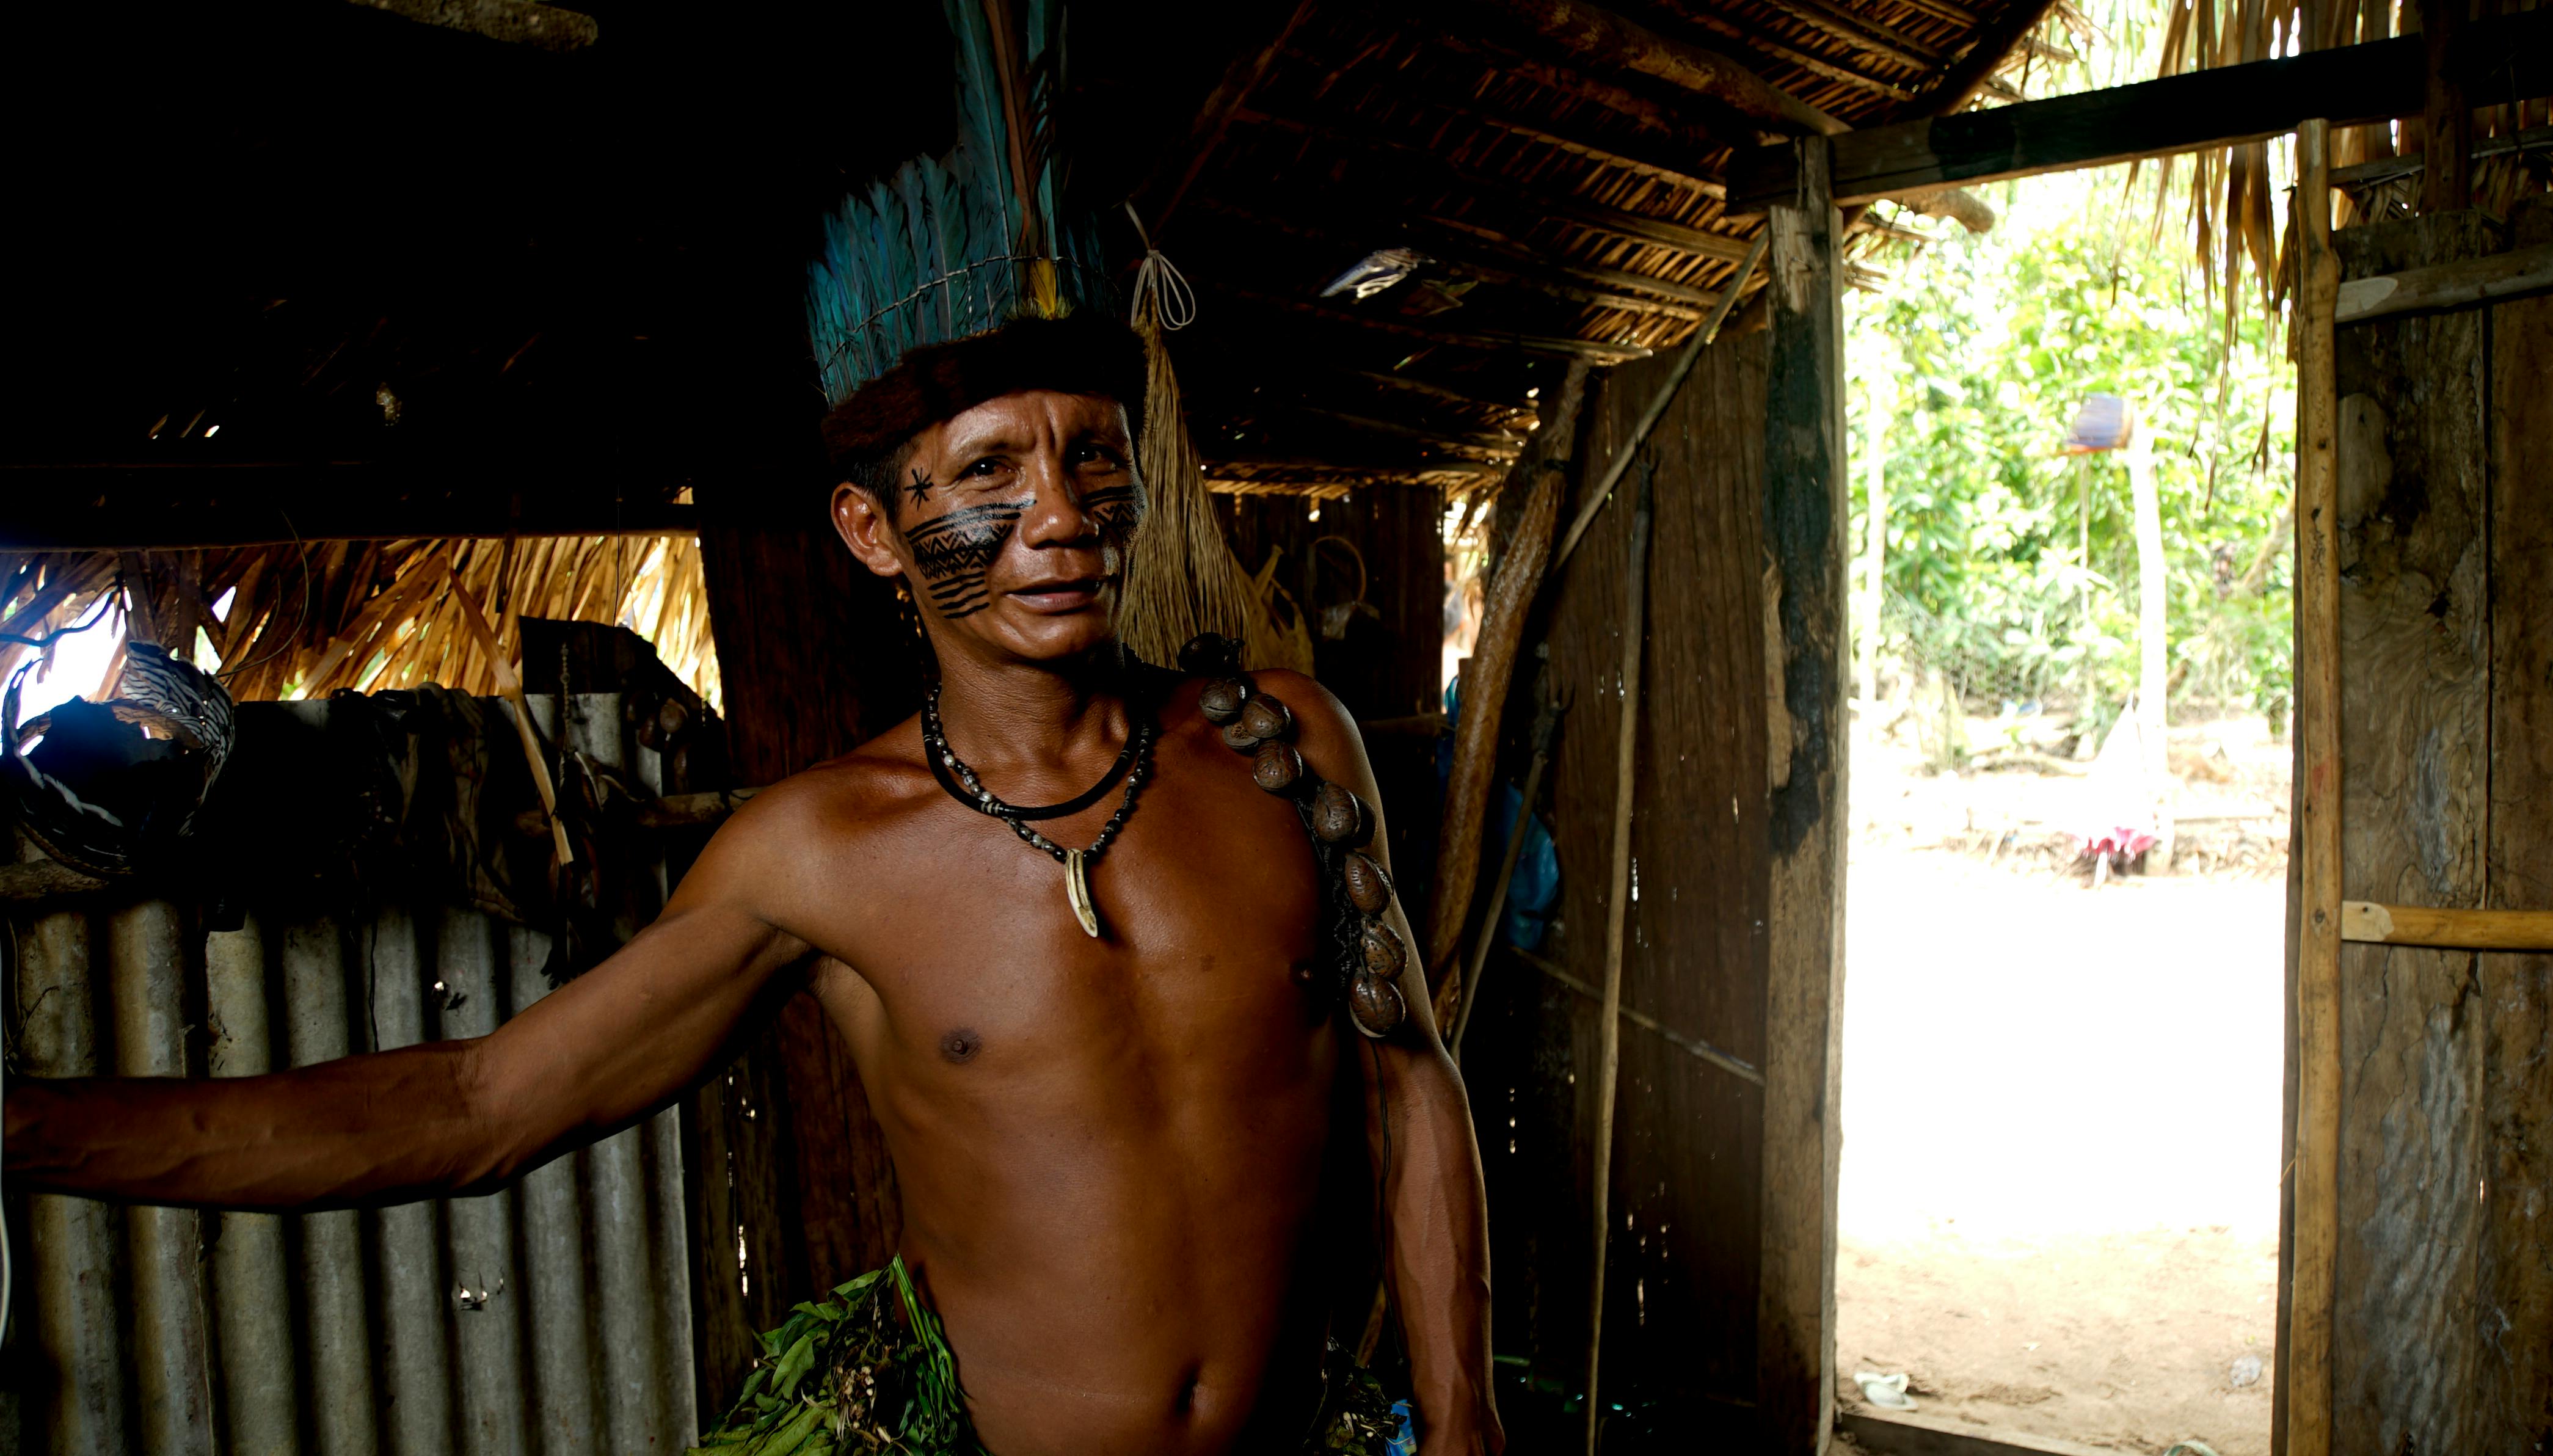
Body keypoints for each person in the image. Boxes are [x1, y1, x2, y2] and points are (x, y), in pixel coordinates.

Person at [4, 313, 1504, 1456]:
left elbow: (1409, 1080)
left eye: (1089, 455)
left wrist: (1460, 1426)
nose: (1059, 513)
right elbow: (475, 1110)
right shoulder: (821, 850)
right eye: (989, 470)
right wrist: (29, 1128)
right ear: (873, 530)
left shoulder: (1278, 742)